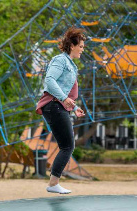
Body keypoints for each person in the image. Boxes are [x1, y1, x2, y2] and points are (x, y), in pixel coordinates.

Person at [35, 27, 86, 194]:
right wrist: (64, 99)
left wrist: (76, 107)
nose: (82, 50)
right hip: (54, 105)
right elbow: (49, 80)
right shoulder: (60, 60)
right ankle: (53, 183)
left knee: (67, 146)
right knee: (67, 146)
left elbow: (65, 92)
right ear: (72, 46)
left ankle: (53, 183)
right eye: (81, 46)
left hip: (59, 106)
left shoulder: (71, 65)